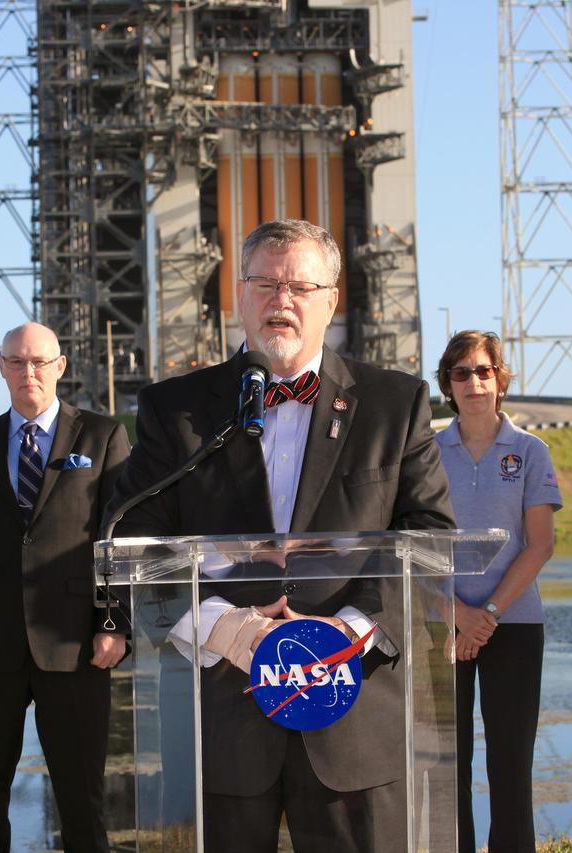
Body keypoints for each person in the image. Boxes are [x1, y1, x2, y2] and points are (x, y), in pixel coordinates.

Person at [107, 219, 455, 853]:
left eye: (299, 285)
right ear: (239, 294)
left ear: (331, 299)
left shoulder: (394, 403)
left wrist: (345, 634)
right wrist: (221, 627)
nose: (281, 300)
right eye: (265, 283)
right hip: (223, 713)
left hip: (353, 713)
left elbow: (429, 536)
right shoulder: (175, 410)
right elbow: (135, 536)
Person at [0, 322, 131, 853]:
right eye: (17, 362)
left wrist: (113, 625)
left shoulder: (102, 436)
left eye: (40, 362)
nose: (29, 373)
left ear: (60, 366)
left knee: (82, 800)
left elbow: (115, 544)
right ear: (1, 368)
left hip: (74, 649)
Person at [434, 330, 561, 852]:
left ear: (500, 379)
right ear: (447, 383)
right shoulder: (425, 452)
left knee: (511, 762)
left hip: (514, 624)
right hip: (442, 624)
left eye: (483, 371)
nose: (474, 382)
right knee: (448, 763)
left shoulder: (531, 451)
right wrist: (456, 614)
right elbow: (410, 548)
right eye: (461, 373)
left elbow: (540, 544)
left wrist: (486, 614)